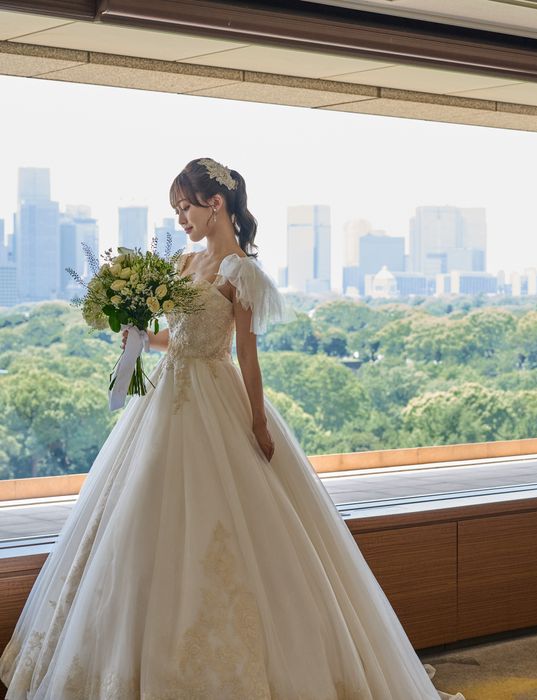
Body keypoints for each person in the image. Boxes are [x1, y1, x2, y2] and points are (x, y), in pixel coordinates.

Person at [0, 158, 464, 700]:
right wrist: (138, 336)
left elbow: (246, 356)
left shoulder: (239, 272)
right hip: (164, 399)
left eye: (185, 207)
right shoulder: (184, 261)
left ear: (214, 203)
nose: (180, 219)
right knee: (136, 518)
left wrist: (259, 422)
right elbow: (176, 340)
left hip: (216, 399)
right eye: (176, 209)